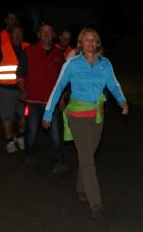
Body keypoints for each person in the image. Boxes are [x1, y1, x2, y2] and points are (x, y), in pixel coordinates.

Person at [42, 28, 128, 218]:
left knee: (88, 153)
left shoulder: (105, 64)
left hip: (97, 115)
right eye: (86, 40)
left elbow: (113, 84)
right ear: (80, 43)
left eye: (93, 40)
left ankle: (81, 187)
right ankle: (95, 202)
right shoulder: (72, 64)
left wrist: (122, 101)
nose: (90, 43)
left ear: (97, 43)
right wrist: (48, 113)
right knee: (88, 160)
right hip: (77, 116)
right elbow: (58, 88)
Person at [23, 23, 68, 173]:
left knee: (56, 132)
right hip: (33, 99)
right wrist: (22, 90)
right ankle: (29, 154)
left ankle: (58, 162)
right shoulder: (29, 51)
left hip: (52, 102)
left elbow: (63, 79)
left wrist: (62, 98)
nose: (46, 34)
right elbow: (20, 74)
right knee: (32, 130)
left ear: (53, 35)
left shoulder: (58, 54)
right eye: (43, 32)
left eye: (49, 32)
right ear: (38, 35)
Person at [0, 25, 28, 154]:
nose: (17, 36)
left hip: (23, 90)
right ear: (10, 35)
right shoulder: (2, 49)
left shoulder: (28, 48)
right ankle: (9, 140)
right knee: (7, 117)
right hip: (5, 89)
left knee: (24, 116)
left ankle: (21, 137)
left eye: (20, 33)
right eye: (15, 33)